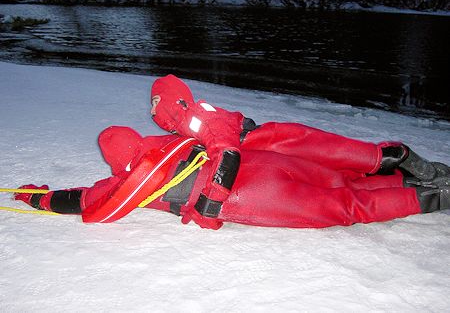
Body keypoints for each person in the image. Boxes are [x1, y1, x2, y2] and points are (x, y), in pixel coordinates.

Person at [149, 74, 450, 228]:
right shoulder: (200, 111)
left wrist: (208, 205)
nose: (154, 116)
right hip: (279, 138)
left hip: (272, 147)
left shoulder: (195, 120)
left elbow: (228, 153)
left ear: (170, 103)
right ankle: (421, 176)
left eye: (155, 106)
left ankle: (431, 190)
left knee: (346, 191)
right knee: (353, 163)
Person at [13, 126, 449, 230]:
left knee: (348, 206)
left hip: (250, 196)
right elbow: (223, 136)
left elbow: (82, 201)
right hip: (263, 165)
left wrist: (37, 198)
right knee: (343, 181)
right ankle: (419, 180)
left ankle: (434, 198)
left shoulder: (125, 185)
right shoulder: (171, 143)